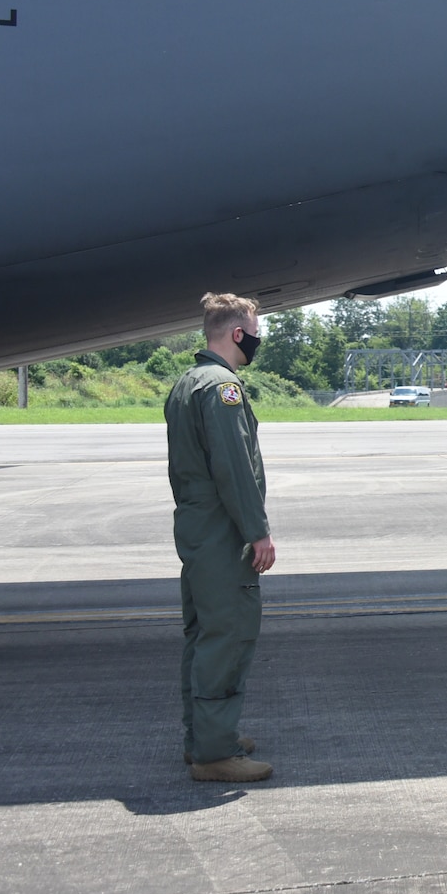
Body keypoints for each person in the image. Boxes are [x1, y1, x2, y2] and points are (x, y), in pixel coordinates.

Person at [165, 292, 276, 783]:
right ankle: (214, 753)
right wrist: (257, 532)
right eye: (254, 330)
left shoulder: (186, 383)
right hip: (221, 532)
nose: (256, 338)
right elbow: (235, 470)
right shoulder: (223, 388)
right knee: (228, 635)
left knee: (203, 635)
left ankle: (204, 736)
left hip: (195, 528)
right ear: (237, 334)